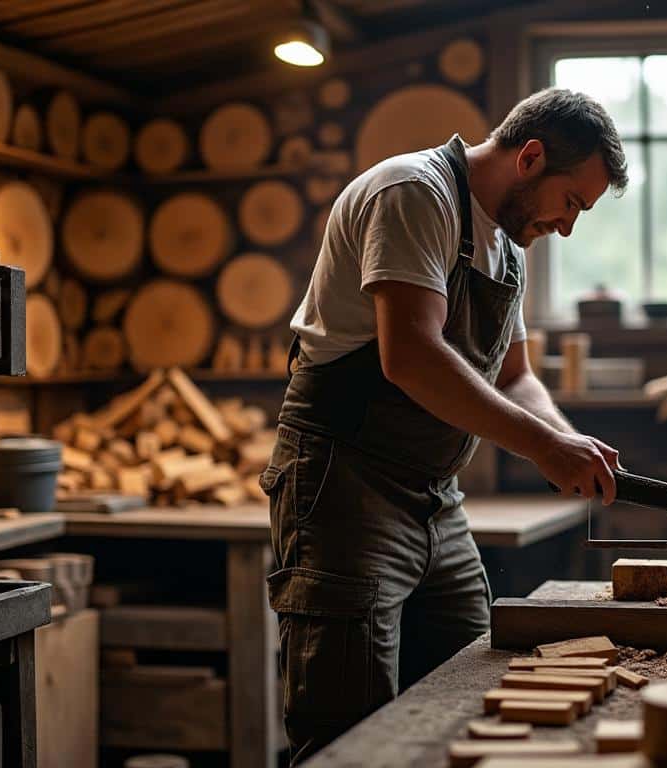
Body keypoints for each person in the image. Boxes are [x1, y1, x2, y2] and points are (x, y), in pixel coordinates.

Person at [263, 87, 629, 761]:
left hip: (435, 498)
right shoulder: (413, 193)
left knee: (464, 696)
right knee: (347, 731)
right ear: (532, 157)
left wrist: (566, 440)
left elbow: (516, 376)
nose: (568, 226)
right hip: (346, 486)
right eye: (572, 202)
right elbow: (410, 355)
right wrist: (542, 446)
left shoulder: (508, 247)